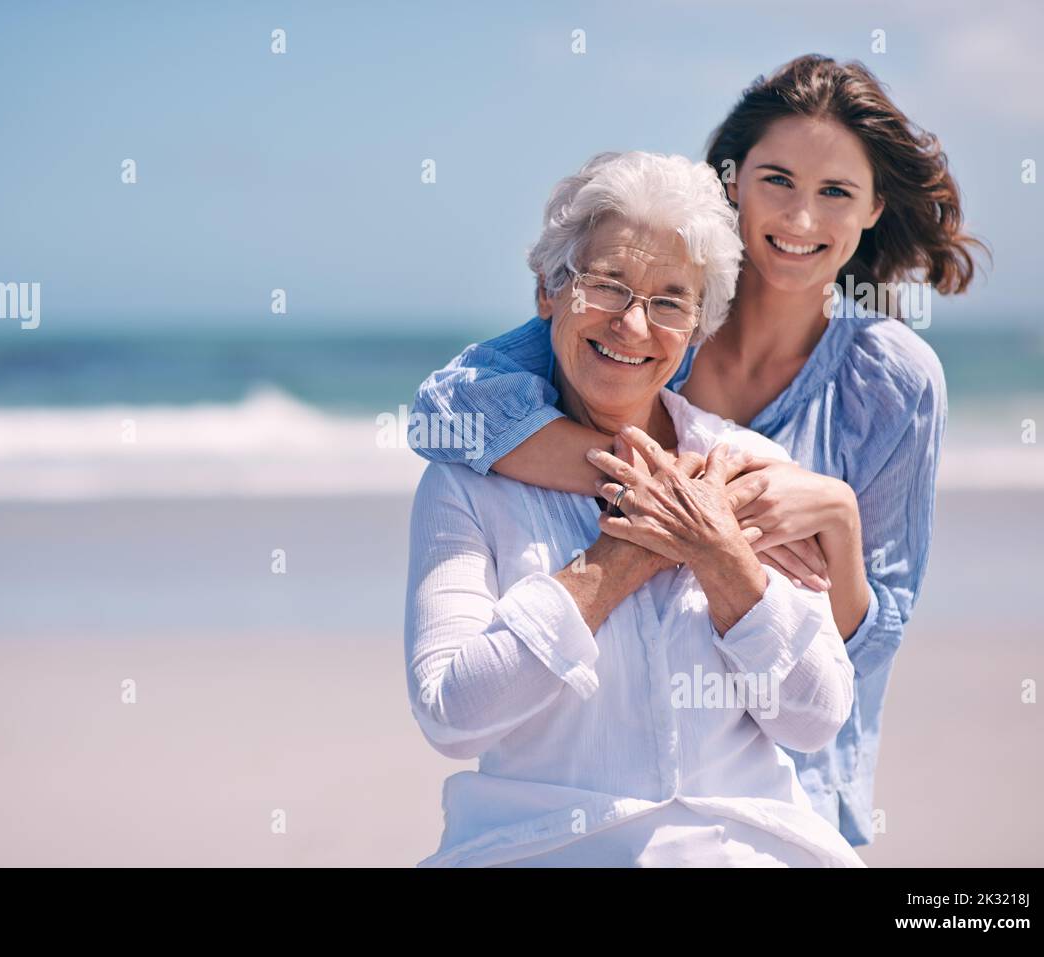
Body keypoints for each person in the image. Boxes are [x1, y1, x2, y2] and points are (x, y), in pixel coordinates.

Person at [408, 55, 983, 846]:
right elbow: (444, 414)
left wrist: (837, 518)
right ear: (732, 180)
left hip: (787, 788)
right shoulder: (644, 298)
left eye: (836, 192)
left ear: (875, 207)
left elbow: (863, 654)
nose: (801, 218)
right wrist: (658, 495)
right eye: (777, 179)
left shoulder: (889, 378)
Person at [404, 151, 863, 866]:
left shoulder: (747, 468)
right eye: (607, 285)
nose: (634, 324)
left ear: (697, 329)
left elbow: (815, 716)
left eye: (670, 301)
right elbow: (451, 713)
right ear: (548, 292)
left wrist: (721, 556)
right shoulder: (467, 482)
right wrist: (623, 554)